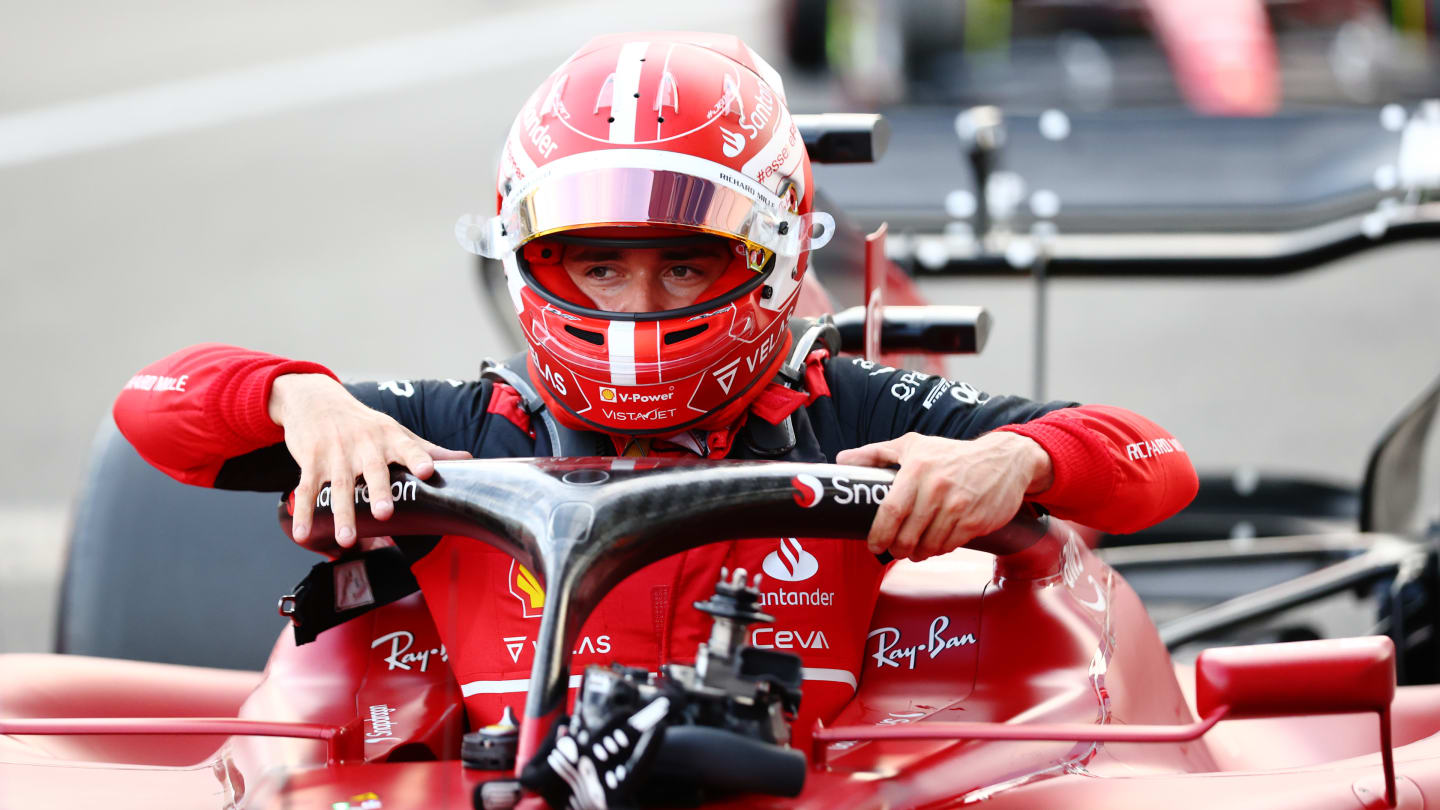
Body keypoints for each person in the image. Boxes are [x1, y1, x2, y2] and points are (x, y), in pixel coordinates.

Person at [113, 32, 1197, 740]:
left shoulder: (850, 409)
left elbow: (1154, 461)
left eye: (685, 263)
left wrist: (1018, 459)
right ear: (535, 260)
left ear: (771, 255)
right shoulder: (457, 428)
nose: (639, 304)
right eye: (601, 265)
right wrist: (297, 397)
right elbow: (155, 406)